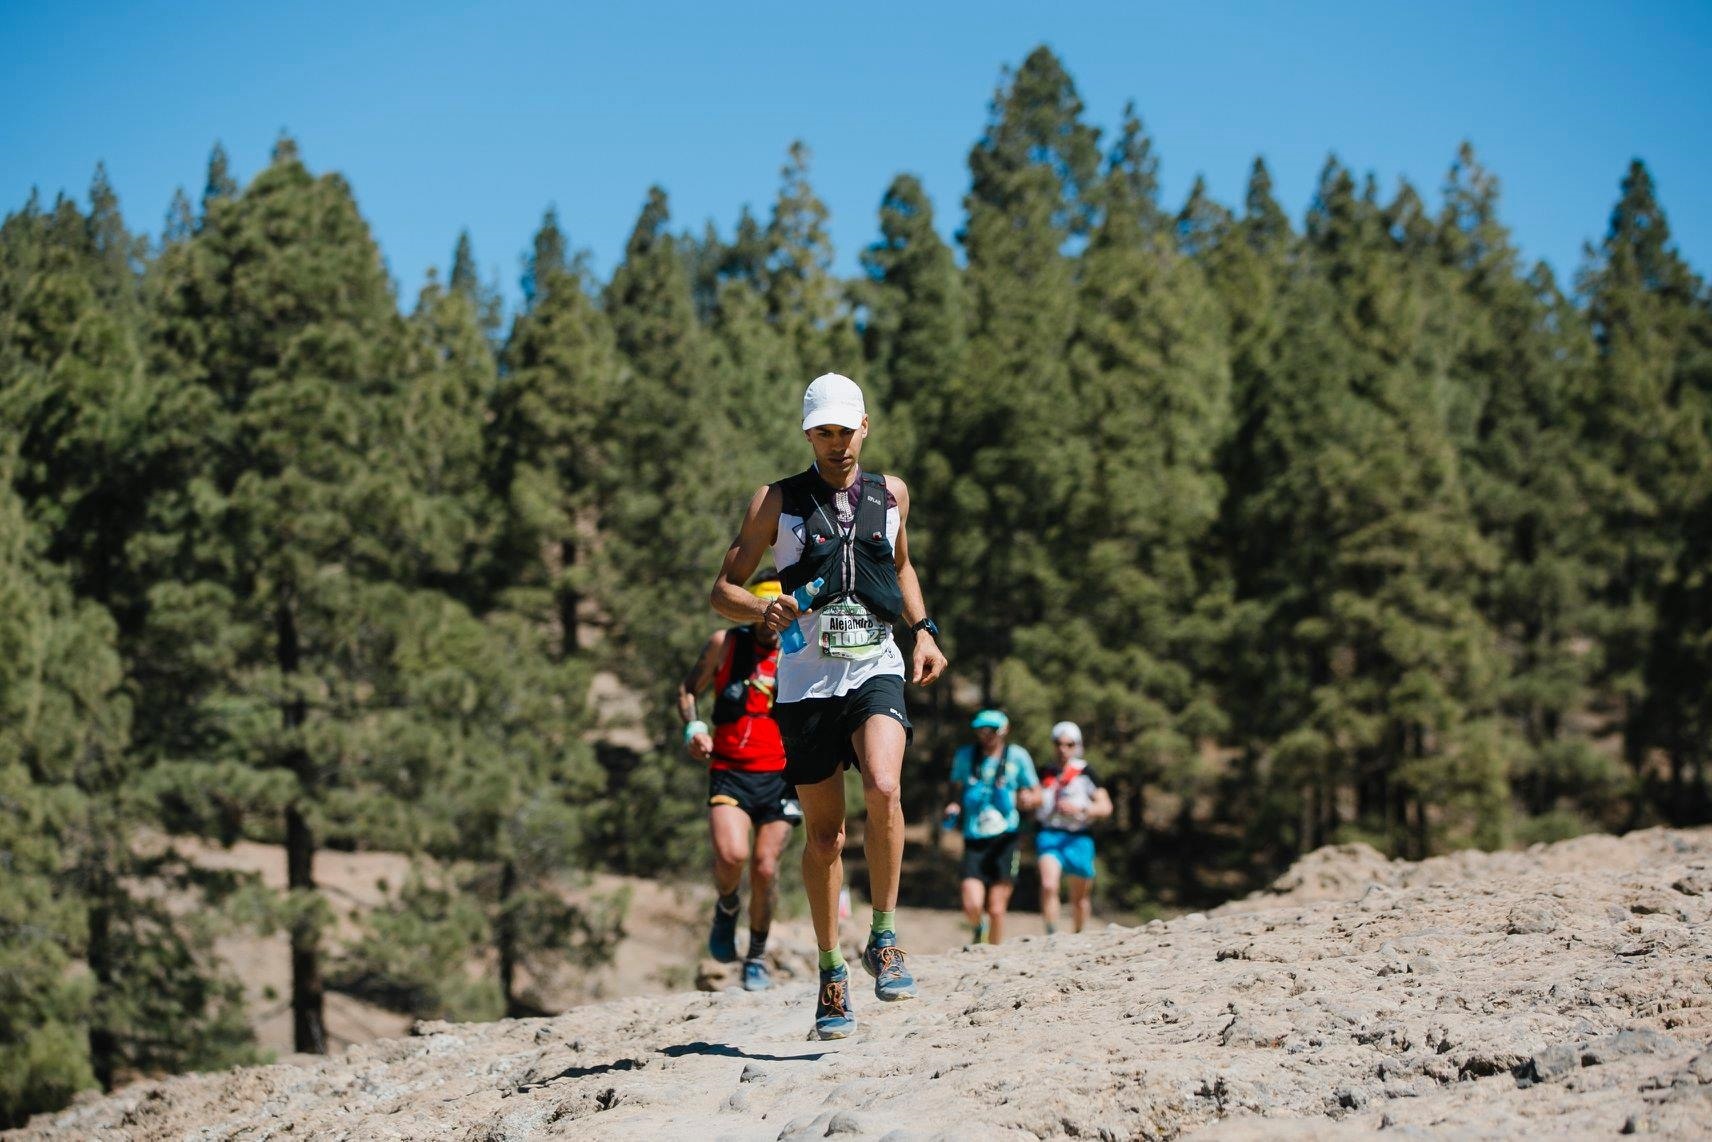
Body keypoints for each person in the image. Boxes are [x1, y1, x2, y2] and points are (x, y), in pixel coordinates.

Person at [709, 372, 947, 1041]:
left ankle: (885, 936)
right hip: (808, 682)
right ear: (808, 434)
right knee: (825, 838)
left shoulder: (890, 494)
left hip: (876, 664)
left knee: (885, 786)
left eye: (846, 429)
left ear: (864, 427)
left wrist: (924, 631)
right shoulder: (777, 502)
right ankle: (831, 971)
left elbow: (900, 565)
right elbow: (721, 590)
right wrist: (763, 608)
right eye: (824, 432)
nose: (837, 443)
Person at [676, 572, 802, 991]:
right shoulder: (724, 645)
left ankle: (756, 955)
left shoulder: (800, 651)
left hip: (783, 777)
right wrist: (692, 728)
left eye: (776, 615)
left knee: (766, 867)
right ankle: (727, 905)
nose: (769, 624)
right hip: (730, 770)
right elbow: (687, 689)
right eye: (761, 614)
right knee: (731, 857)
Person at [944, 709, 1040, 946]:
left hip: (1006, 837)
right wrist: (953, 806)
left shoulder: (1017, 756)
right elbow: (955, 789)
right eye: (981, 730)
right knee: (972, 903)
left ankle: (995, 953)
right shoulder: (965, 756)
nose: (986, 735)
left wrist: (1029, 800)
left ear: (1004, 730)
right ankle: (979, 928)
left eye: (991, 730)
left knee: (997, 909)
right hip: (974, 836)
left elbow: (1037, 793)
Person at [1034, 720, 1113, 935]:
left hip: (1079, 837)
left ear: (1077, 746)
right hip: (1049, 834)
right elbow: (1032, 798)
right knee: (1049, 885)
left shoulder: (1086, 772)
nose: (1063, 749)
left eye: (1069, 744)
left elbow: (1105, 807)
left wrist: (1080, 808)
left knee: (1079, 898)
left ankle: (1078, 935)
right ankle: (1051, 935)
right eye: (1059, 744)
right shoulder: (1044, 772)